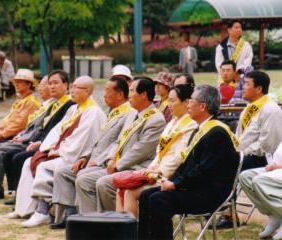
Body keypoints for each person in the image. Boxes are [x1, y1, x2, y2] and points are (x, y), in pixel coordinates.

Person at [138, 85, 240, 240]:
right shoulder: (201, 129)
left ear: (202, 106)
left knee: (158, 200)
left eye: (191, 101)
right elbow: (187, 165)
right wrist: (171, 181)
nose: (188, 104)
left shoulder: (217, 133)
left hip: (210, 192)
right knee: (146, 195)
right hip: (196, 186)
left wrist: (176, 184)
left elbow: (204, 170)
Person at [35, 76, 135, 229]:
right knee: (63, 172)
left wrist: (101, 160)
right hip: (92, 159)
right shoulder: (113, 112)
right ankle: (69, 213)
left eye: (107, 91)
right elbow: (98, 140)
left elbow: (118, 143)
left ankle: (89, 221)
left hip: (105, 162)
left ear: (120, 94)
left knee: (82, 176)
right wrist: (84, 156)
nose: (103, 94)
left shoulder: (127, 114)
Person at [6, 76, 106, 227]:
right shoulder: (74, 109)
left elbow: (83, 139)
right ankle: (25, 209)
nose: (72, 90)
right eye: (72, 87)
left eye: (76, 87)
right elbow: (58, 131)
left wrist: (61, 151)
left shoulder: (93, 112)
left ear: (87, 91)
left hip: (76, 156)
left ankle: (43, 212)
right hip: (64, 150)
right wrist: (49, 146)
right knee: (29, 162)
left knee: (44, 166)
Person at [75, 77, 166, 214]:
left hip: (137, 168)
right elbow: (118, 141)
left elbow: (140, 150)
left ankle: (118, 225)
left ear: (144, 95)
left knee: (104, 183)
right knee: (83, 179)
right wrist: (110, 159)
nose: (128, 94)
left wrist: (117, 165)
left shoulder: (156, 119)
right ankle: (92, 223)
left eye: (132, 90)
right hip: (119, 164)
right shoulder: (131, 114)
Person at [0, 72, 74, 200]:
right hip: (30, 138)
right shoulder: (50, 104)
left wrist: (27, 139)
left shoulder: (64, 105)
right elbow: (17, 122)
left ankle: (5, 191)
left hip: (42, 143)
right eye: (49, 84)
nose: (46, 87)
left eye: (54, 83)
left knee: (1, 152)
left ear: (66, 85)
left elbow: (36, 127)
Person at [116, 84, 197, 218]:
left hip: (170, 176)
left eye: (172, 101)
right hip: (157, 171)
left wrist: (157, 171)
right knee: (121, 188)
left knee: (130, 192)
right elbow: (159, 152)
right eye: (168, 101)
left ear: (186, 102)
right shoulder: (172, 122)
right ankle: (122, 232)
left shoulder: (191, 125)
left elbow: (178, 158)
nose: (169, 104)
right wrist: (151, 168)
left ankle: (133, 233)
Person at [215, 70, 282, 229]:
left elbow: (269, 144)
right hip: (246, 153)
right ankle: (219, 207)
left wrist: (242, 153)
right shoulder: (249, 108)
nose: (242, 87)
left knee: (227, 166)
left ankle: (228, 215)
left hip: (264, 158)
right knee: (217, 160)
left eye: (246, 84)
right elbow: (241, 137)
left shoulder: (270, 109)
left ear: (258, 89)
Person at [240, 141, 282, 240]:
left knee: (259, 181)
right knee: (245, 177)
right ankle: (274, 215)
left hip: (278, 169)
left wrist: (276, 167)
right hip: (275, 168)